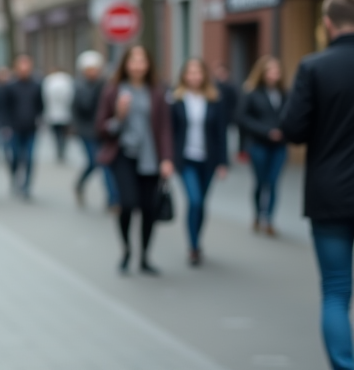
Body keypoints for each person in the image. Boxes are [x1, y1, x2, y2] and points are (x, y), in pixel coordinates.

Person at [280, 0, 354, 370]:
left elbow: (292, 129)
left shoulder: (313, 66)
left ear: (328, 23)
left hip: (329, 193)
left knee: (335, 292)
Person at [95, 45, 174, 275]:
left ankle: (145, 257)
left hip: (151, 159)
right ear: (126, 64)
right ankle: (127, 250)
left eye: (142, 61)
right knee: (127, 204)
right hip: (123, 156)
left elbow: (165, 129)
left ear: (148, 64)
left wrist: (167, 158)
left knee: (149, 209)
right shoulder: (113, 91)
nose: (138, 65)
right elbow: (101, 128)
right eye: (133, 60)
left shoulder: (157, 92)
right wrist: (119, 116)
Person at [170, 58, 229, 266]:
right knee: (194, 200)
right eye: (190, 73)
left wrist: (223, 162)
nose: (194, 76)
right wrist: (167, 160)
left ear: (204, 75)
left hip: (208, 160)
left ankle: (197, 240)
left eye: (198, 72)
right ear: (184, 76)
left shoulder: (214, 99)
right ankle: (193, 246)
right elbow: (170, 132)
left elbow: (221, 132)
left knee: (202, 204)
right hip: (185, 159)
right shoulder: (176, 99)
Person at [236, 56, 289, 236]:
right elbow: (242, 118)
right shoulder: (252, 92)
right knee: (261, 182)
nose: (275, 74)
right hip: (258, 144)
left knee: (273, 182)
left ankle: (269, 220)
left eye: (277, 71)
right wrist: (266, 131)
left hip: (279, 146)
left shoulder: (284, 93)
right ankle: (258, 214)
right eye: (271, 71)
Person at [72, 50, 118, 209]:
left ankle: (113, 199)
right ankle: (80, 184)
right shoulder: (80, 86)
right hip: (87, 132)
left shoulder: (106, 85)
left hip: (103, 131)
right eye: (90, 69)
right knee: (94, 162)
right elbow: (84, 106)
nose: (93, 72)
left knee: (106, 164)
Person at [0, 54, 43, 198]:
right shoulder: (10, 86)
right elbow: (5, 107)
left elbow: (40, 105)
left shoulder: (36, 85)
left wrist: (39, 118)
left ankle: (26, 186)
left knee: (30, 158)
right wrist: (6, 125)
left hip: (31, 128)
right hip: (14, 128)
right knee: (16, 156)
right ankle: (15, 176)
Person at [42, 66, 75, 163]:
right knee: (64, 135)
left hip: (53, 114)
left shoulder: (49, 81)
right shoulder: (67, 80)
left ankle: (59, 151)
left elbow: (45, 98)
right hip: (65, 114)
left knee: (56, 135)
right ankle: (62, 150)